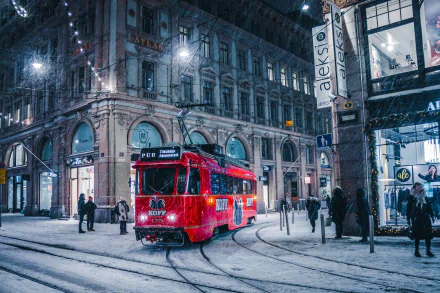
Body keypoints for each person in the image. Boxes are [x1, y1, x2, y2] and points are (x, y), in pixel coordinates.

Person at [407, 182, 435, 257]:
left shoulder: (424, 195)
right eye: (418, 187)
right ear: (415, 188)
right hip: (417, 218)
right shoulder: (412, 197)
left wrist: (432, 215)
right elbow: (409, 207)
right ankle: (416, 251)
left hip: (425, 217)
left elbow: (428, 206)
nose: (420, 188)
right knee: (417, 235)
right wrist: (408, 218)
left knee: (428, 235)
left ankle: (428, 251)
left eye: (420, 187)